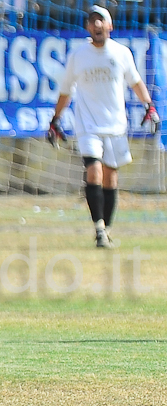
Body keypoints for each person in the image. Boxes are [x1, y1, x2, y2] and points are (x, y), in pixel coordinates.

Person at [48, 5, 160, 248]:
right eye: (92, 21)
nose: (96, 25)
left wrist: (149, 106)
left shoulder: (121, 53)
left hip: (115, 126)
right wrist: (55, 119)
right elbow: (66, 91)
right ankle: (98, 228)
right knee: (94, 171)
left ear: (110, 26)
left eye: (101, 21)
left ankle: (105, 230)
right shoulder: (79, 55)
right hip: (87, 125)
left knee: (111, 178)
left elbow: (136, 82)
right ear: (88, 27)